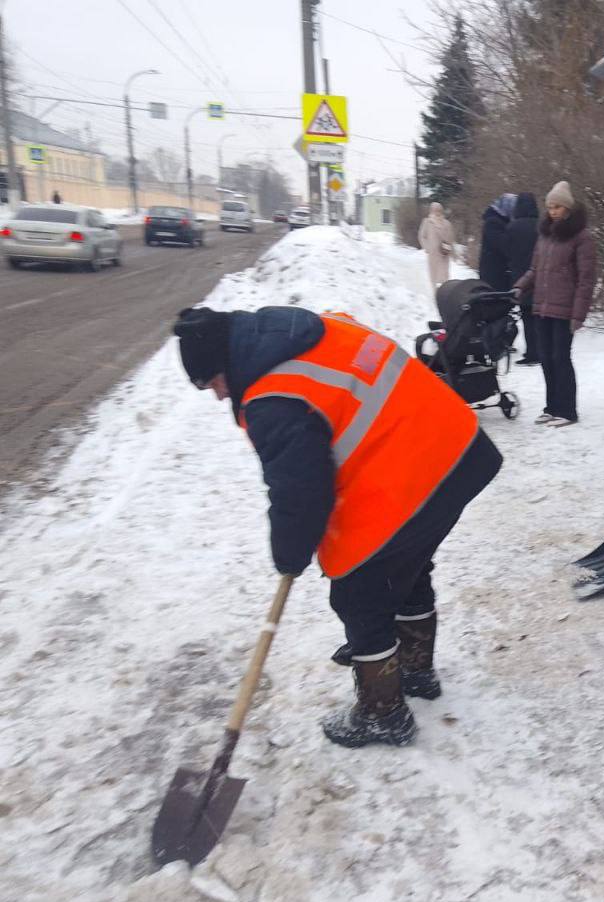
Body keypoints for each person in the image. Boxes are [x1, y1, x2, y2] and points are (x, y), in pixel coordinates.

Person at [172, 305, 503, 749]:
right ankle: (415, 670)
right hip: (458, 448)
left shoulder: (273, 399)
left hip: (420, 468)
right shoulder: (311, 329)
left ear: (224, 364)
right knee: (405, 565)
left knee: (359, 593)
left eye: (211, 383)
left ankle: (382, 714)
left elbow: (301, 494)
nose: (216, 395)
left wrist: (289, 555)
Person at [513, 181, 596, 427]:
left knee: (561, 357)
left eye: (558, 206)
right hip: (542, 307)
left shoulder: (582, 238)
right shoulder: (545, 236)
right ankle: (552, 406)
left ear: (568, 207)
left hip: (565, 310)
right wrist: (519, 286)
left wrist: (578, 315)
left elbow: (586, 280)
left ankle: (568, 410)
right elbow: (535, 270)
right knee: (547, 358)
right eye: (550, 207)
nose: (553, 211)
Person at [506, 192, 540, 365]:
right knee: (539, 316)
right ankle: (541, 350)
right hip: (539, 276)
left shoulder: (512, 227)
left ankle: (532, 352)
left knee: (527, 317)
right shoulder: (541, 226)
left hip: (521, 276)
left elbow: (507, 252)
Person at [478, 193, 516, 292]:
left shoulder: (500, 221)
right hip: (492, 271)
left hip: (499, 270)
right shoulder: (492, 222)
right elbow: (502, 244)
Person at [417, 202, 455, 290]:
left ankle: (444, 293)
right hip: (433, 253)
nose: (437, 211)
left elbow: (451, 238)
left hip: (444, 253)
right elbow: (422, 236)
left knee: (444, 275)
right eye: (435, 209)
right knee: (434, 276)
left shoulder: (447, 223)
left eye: (439, 210)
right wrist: (427, 248)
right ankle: (435, 294)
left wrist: (450, 250)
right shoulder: (427, 222)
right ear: (431, 210)